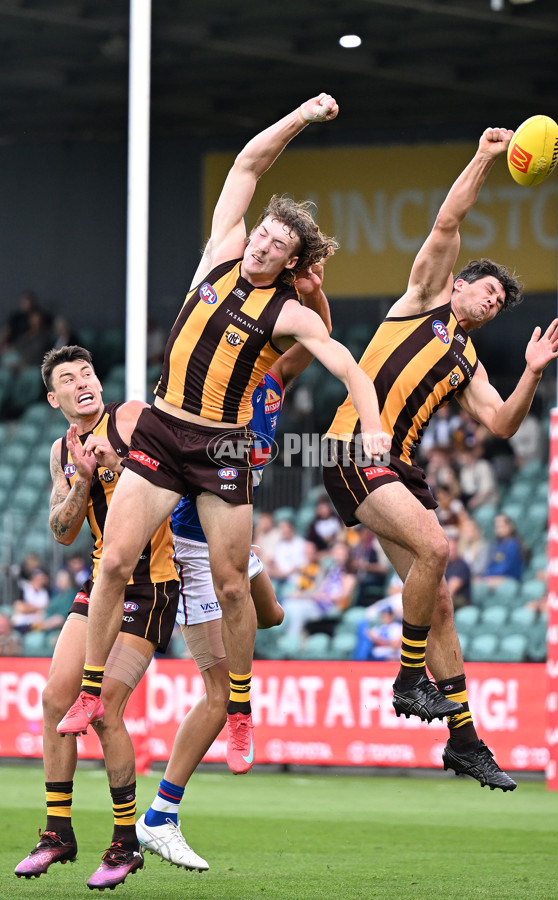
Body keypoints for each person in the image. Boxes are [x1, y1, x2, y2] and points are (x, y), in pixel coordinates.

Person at [58, 93, 390, 777]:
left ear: (292, 262)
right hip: (162, 427)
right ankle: (90, 694)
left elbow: (347, 366)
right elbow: (247, 163)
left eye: (279, 246)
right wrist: (301, 117)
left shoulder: (288, 314)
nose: (264, 245)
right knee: (114, 563)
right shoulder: (219, 255)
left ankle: (239, 709)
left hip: (223, 449)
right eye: (264, 233)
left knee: (236, 589)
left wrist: (375, 426)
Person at [323, 125, 558, 791]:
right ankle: (407, 681)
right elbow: (449, 218)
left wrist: (533, 372)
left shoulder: (468, 360)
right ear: (458, 283)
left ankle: (464, 742)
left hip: (397, 469)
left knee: (442, 604)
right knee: (436, 548)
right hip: (352, 445)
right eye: (486, 291)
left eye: (498, 305)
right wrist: (485, 158)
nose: (492, 304)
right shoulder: (424, 297)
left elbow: (501, 421)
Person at [136, 269, 333, 869]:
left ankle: (240, 619)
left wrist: (314, 289)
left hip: (234, 543)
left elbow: (320, 336)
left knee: (268, 616)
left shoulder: (271, 381)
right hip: (195, 551)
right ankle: (161, 814)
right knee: (219, 696)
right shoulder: (205, 395)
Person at [14, 345, 180, 890]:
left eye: (86, 372)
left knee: (105, 707)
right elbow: (62, 530)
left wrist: (116, 462)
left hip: (150, 583)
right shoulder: (63, 449)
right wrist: (83, 480)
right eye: (69, 378)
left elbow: (172, 469)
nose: (83, 381)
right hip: (100, 584)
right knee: (55, 698)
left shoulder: (129, 417)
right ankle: (58, 832)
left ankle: (125, 842)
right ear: (53, 397)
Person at [478, 513, 524, 587]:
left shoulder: (513, 544)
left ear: (510, 527)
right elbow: (492, 563)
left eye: (502, 527)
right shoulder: (497, 544)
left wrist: (489, 575)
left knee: (482, 584)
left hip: (510, 577)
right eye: (497, 527)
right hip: (495, 576)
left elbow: (507, 567)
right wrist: (486, 573)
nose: (499, 530)